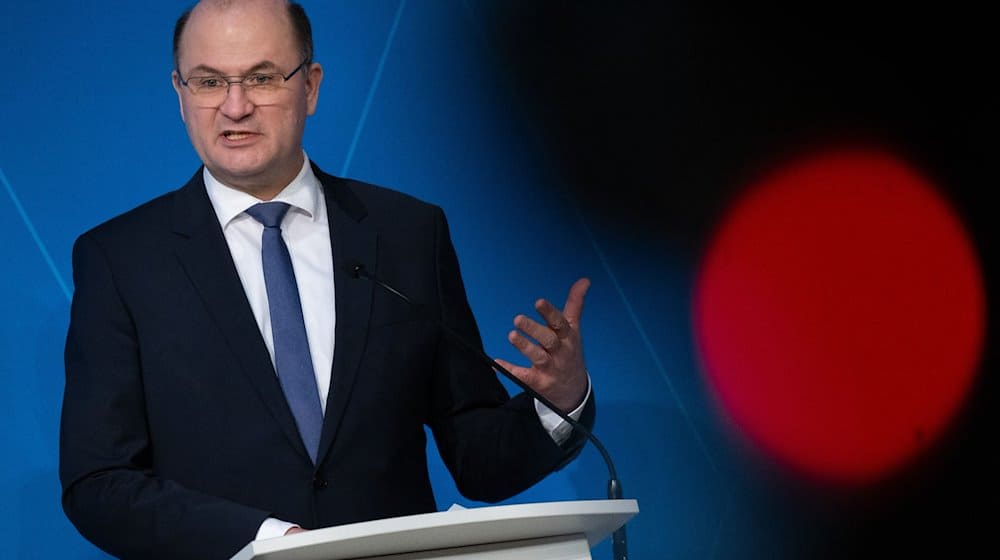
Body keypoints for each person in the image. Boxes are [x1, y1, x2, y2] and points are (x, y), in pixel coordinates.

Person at [59, 1, 595, 558]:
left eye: (262, 78)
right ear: (180, 93)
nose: (235, 106)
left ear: (310, 87)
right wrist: (271, 542)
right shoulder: (121, 259)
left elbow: (477, 458)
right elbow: (99, 482)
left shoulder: (409, 234)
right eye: (209, 81)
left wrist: (557, 404)